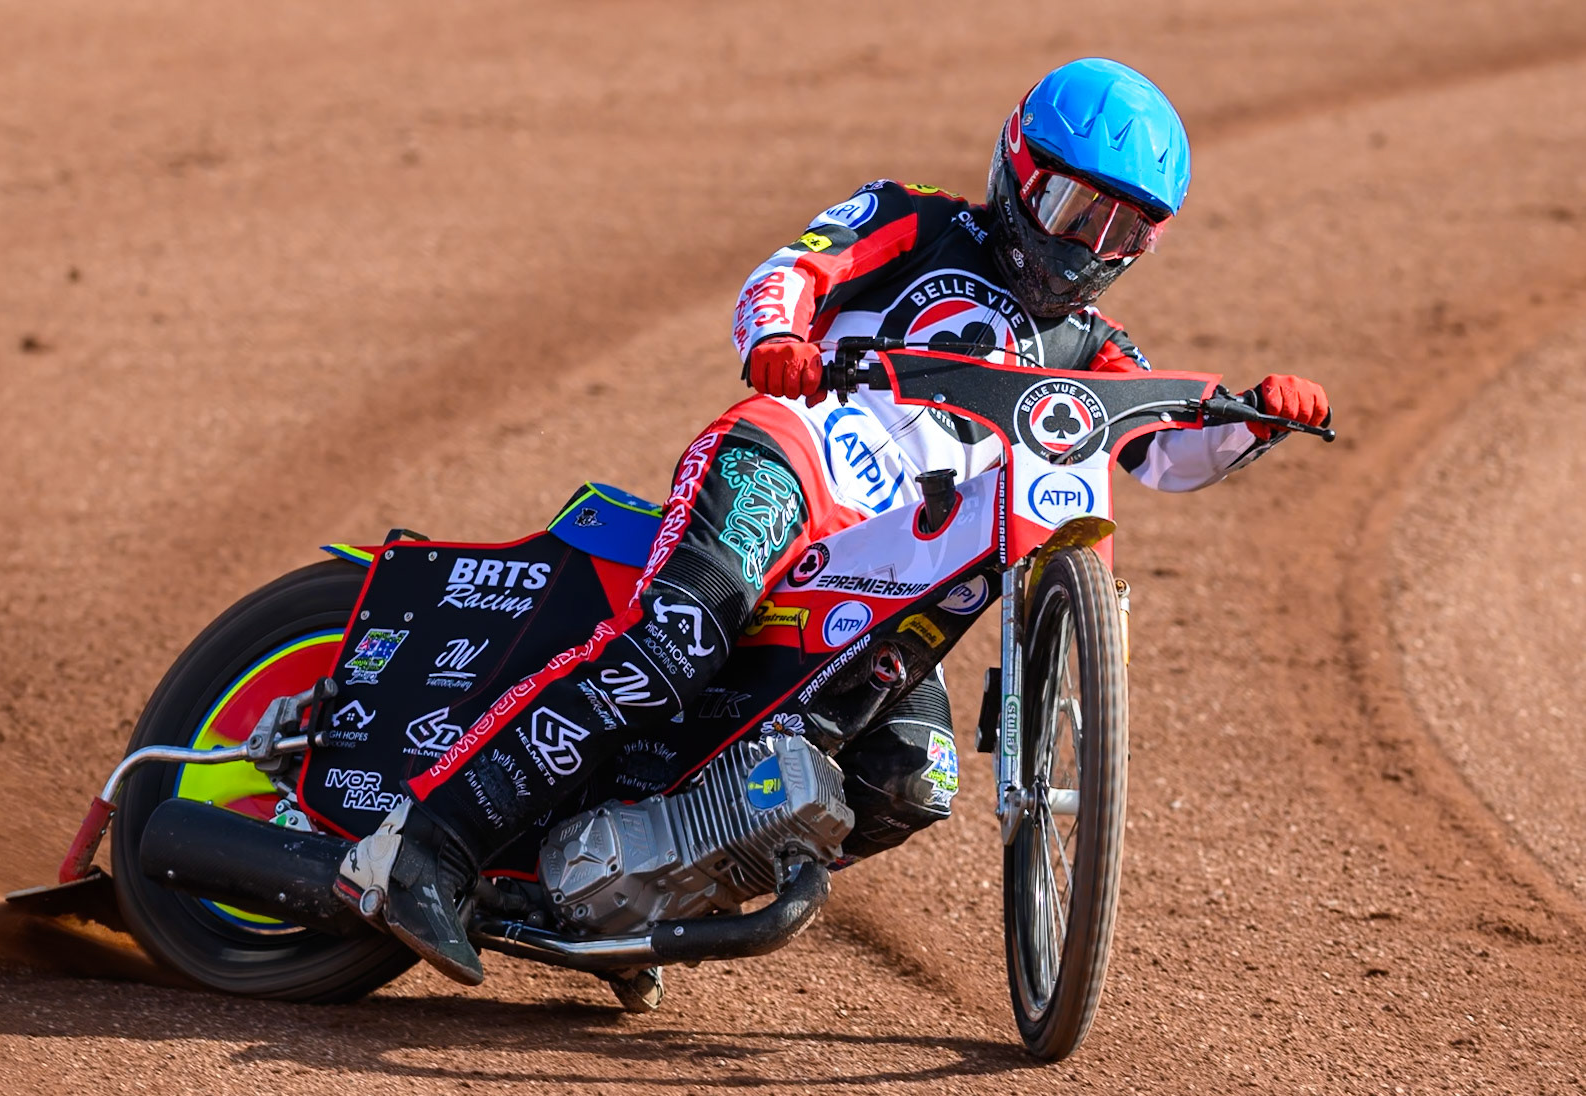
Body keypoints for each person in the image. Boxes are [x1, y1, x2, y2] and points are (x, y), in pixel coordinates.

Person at [337, 57, 1331, 985]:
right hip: (793, 457)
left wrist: (1254, 423)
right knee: (674, 638)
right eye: (1072, 208)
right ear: (1016, 167)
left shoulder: (1092, 348)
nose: (1085, 247)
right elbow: (789, 273)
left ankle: (640, 893)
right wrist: (775, 337)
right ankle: (423, 843)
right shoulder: (912, 220)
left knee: (910, 780)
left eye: (1122, 231)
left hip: (893, 563)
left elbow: (1160, 453)